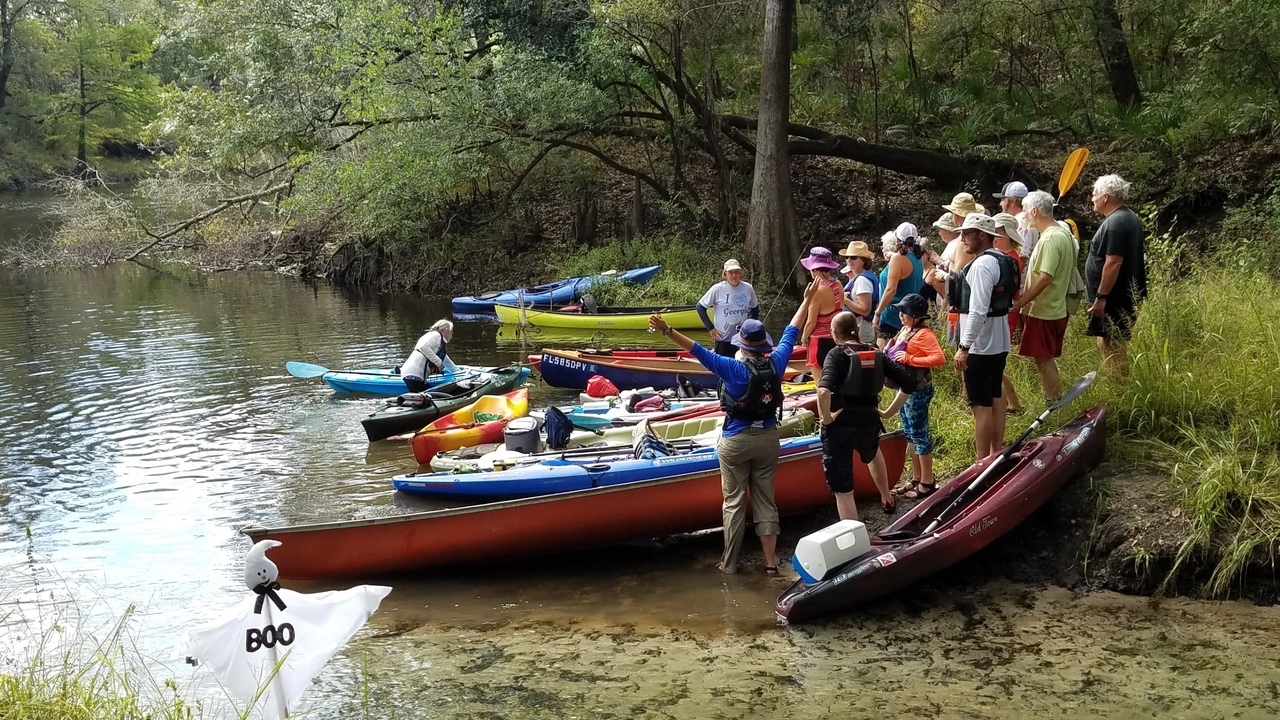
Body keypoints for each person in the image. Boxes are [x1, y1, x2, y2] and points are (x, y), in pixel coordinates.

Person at [648, 282, 818, 575]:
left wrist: (666, 330)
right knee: (766, 500)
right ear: (764, 345)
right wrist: (806, 300)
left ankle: (729, 565)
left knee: (734, 503)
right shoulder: (777, 362)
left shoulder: (732, 367)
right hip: (768, 438)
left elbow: (697, 350)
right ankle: (770, 564)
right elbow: (792, 329)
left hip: (735, 440)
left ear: (742, 346)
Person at [817, 311, 919, 520]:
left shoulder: (835, 355)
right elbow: (909, 383)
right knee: (872, 453)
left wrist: (826, 419)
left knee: (843, 488)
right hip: (869, 420)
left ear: (835, 334)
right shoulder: (876, 353)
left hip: (841, 424)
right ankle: (886, 497)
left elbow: (823, 391)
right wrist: (889, 412)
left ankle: (852, 534)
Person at [951, 214, 1020, 460]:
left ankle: (982, 463)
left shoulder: (980, 266)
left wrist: (964, 346)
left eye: (967, 233)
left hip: (980, 345)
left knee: (980, 406)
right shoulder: (1004, 259)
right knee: (996, 396)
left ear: (982, 235)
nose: (962, 239)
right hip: (1000, 340)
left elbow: (978, 310)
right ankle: (997, 452)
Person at [1012, 190, 1078, 402]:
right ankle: (1054, 402)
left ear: (1034, 211)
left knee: (1043, 360)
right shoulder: (1063, 233)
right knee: (1043, 358)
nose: (1024, 217)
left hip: (1047, 309)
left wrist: (1021, 302)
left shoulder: (1051, 239)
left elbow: (1045, 277)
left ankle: (1054, 404)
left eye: (1025, 211)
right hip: (1054, 308)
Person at [883, 293, 946, 500]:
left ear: (916, 316)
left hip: (917, 391)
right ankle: (917, 477)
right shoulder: (906, 329)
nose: (901, 315)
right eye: (900, 311)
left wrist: (909, 358)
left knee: (919, 435)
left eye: (905, 312)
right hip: (905, 390)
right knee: (910, 434)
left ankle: (927, 482)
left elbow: (938, 358)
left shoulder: (924, 335)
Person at [1085, 174, 1148, 376]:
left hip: (1114, 297)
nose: (1092, 198)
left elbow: (1113, 263)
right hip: (1120, 295)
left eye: (1094, 194)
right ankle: (1118, 390)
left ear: (1105, 197)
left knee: (1112, 345)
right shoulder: (1127, 217)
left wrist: (1101, 297)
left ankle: (1120, 392)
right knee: (1105, 342)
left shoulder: (1115, 223)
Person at [992, 212, 1025, 414]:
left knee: (996, 363)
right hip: (1007, 311)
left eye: (995, 232)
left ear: (1005, 234)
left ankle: (1010, 403)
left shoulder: (1009, 258)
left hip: (1005, 313)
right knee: (997, 363)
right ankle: (1011, 402)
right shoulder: (1010, 256)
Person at [872, 223, 925, 347]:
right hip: (909, 314)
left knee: (885, 357)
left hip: (891, 316)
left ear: (897, 239)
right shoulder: (918, 258)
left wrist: (877, 313)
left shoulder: (898, 259)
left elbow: (891, 289)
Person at [697, 258, 760, 357]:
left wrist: (750, 328)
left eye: (736, 272)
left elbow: (755, 308)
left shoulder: (748, 288)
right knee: (723, 369)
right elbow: (700, 307)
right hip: (723, 340)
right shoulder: (717, 289)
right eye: (731, 272)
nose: (734, 275)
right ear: (725, 274)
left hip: (742, 340)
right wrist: (711, 328)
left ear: (740, 273)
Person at [800, 247, 845, 378]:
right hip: (836, 338)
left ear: (814, 269)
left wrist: (803, 338)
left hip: (819, 342)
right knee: (834, 381)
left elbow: (811, 323)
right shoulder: (838, 284)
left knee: (820, 386)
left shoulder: (817, 291)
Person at [838, 240, 880, 345]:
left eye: (853, 257)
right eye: (847, 257)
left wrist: (845, 300)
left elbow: (865, 310)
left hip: (861, 330)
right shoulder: (859, 278)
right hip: (856, 329)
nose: (848, 260)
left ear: (863, 261)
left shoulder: (862, 280)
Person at [400, 319, 458, 392]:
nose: (452, 335)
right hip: (413, 374)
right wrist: (438, 362)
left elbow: (448, 363)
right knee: (425, 399)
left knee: (429, 395)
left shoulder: (439, 343)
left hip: (417, 376)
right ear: (446, 330)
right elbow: (422, 346)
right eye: (451, 331)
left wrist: (459, 372)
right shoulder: (435, 335)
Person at [994, 181, 1039, 260]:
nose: (1000, 204)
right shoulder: (1026, 218)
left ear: (1012, 201)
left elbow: (1021, 256)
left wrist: (1014, 272)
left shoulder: (1021, 221)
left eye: (1003, 199)